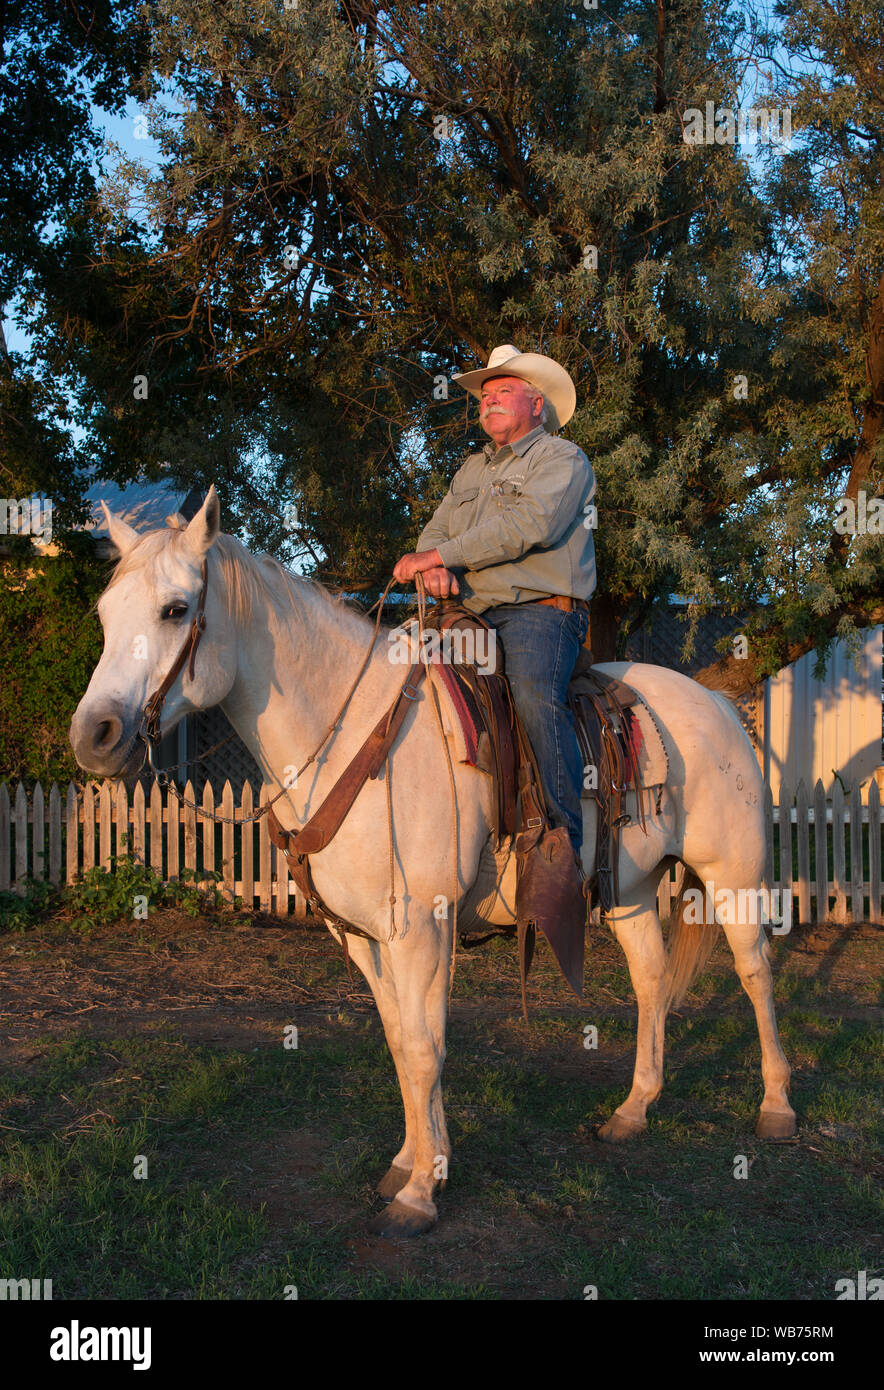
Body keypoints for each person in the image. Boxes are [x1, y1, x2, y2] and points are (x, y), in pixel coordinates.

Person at [392, 344, 596, 866]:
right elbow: (435, 529)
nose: (489, 401)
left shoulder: (562, 459)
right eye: (485, 396)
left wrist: (441, 555)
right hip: (472, 610)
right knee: (399, 673)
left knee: (531, 695)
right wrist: (434, 564)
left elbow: (530, 526)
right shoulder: (470, 470)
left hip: (540, 612)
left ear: (537, 404)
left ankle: (561, 841)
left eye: (502, 391)